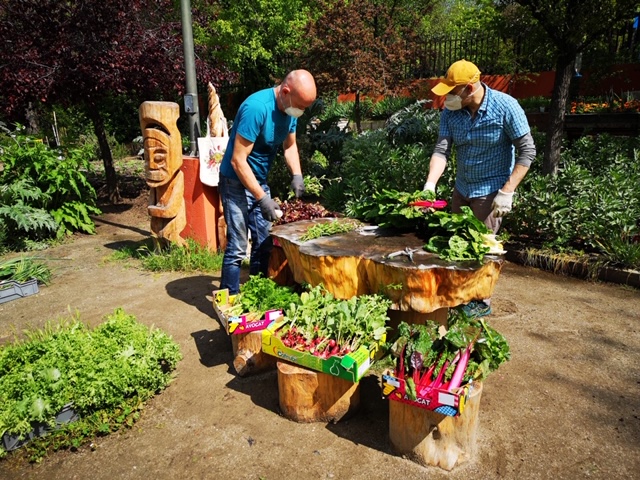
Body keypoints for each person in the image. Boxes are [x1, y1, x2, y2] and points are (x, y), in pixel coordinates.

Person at [424, 59, 536, 316]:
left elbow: (527, 151)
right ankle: (460, 297)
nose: (448, 98)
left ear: (470, 88)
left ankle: (480, 303)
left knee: (483, 249)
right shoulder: (451, 113)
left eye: (453, 91)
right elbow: (441, 150)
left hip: (491, 193)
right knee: (458, 246)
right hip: (462, 189)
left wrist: (507, 191)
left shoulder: (506, 107)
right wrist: (430, 185)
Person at [218, 70, 317, 294]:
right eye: (300, 106)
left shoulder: (290, 110)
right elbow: (237, 161)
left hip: (258, 179)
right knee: (237, 246)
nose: (301, 112)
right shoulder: (257, 108)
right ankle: (229, 300)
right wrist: (263, 198)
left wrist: (297, 175)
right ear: (285, 91)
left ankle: (256, 292)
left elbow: (290, 146)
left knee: (264, 243)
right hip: (234, 181)